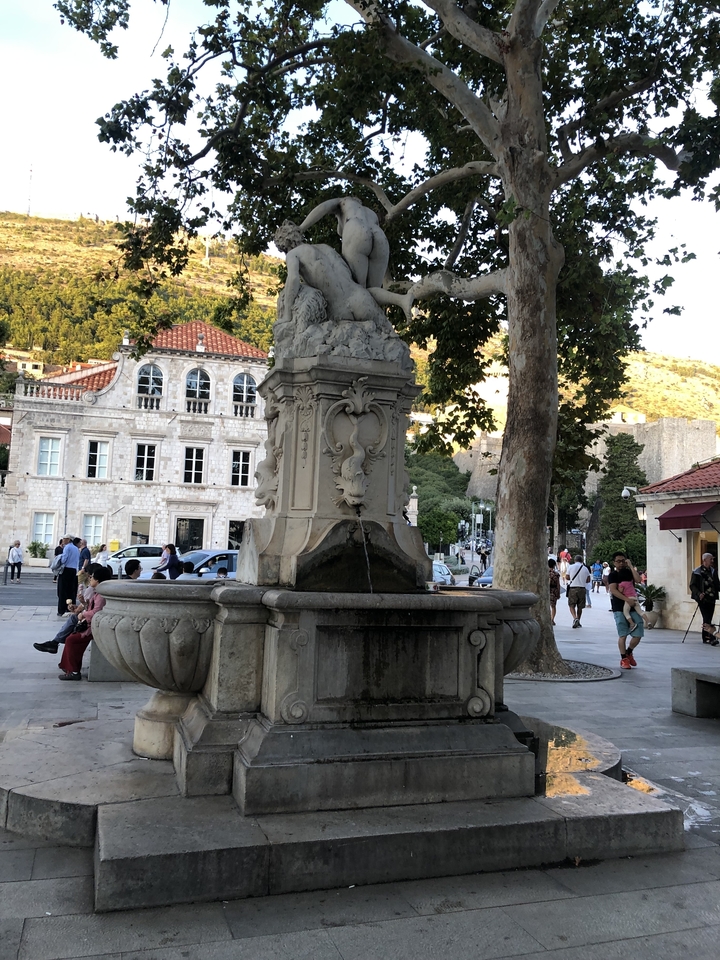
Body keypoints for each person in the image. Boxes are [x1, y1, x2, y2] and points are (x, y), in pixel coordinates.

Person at [274, 221, 413, 324]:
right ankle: (402, 300)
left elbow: (292, 280)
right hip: (361, 298)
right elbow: (346, 271)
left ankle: (401, 301)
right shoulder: (324, 247)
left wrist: (287, 315)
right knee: (387, 338)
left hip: (339, 309)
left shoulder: (293, 255)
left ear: (284, 245)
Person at [58, 565, 113, 680]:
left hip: (94, 627)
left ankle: (73, 670)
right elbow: (91, 608)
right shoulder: (97, 593)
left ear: (97, 580)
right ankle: (70, 667)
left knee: (72, 640)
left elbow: (97, 612)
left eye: (92, 578)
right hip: (90, 625)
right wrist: (83, 604)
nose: (90, 579)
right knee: (71, 638)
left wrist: (83, 614)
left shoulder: (101, 596)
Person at [607, 551, 644, 669]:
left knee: (638, 633)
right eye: (618, 561)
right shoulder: (613, 575)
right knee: (623, 634)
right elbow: (613, 590)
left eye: (623, 561)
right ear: (614, 563)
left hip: (633, 606)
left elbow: (638, 580)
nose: (621, 563)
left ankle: (629, 652)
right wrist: (626, 600)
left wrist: (631, 566)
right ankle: (624, 658)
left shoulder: (629, 572)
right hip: (619, 607)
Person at [689, 553, 720, 646]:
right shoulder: (697, 571)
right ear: (705, 560)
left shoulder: (713, 571)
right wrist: (699, 593)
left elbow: (717, 584)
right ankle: (711, 637)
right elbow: (692, 585)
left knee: (708, 617)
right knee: (706, 617)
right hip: (702, 598)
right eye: (711, 559)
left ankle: (705, 637)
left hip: (712, 598)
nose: (712, 561)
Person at [57, 537, 81, 617]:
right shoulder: (76, 548)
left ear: (68, 540)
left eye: (64, 539)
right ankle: (71, 608)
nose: (63, 540)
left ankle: (61, 609)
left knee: (62, 590)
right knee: (71, 590)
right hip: (73, 570)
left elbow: (64, 559)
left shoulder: (67, 547)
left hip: (66, 570)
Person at [566, 554, 591, 628]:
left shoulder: (570, 567)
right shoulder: (585, 568)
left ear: (575, 560)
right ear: (582, 560)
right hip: (582, 589)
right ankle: (578, 620)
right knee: (580, 606)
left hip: (573, 588)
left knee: (571, 605)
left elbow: (567, 577)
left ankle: (575, 618)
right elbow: (588, 580)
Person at [548, 558, 561, 626]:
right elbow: (558, 584)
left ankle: (549, 618)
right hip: (553, 590)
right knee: (553, 606)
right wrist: (558, 593)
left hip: (547, 590)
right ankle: (552, 619)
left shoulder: (545, 573)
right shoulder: (556, 574)